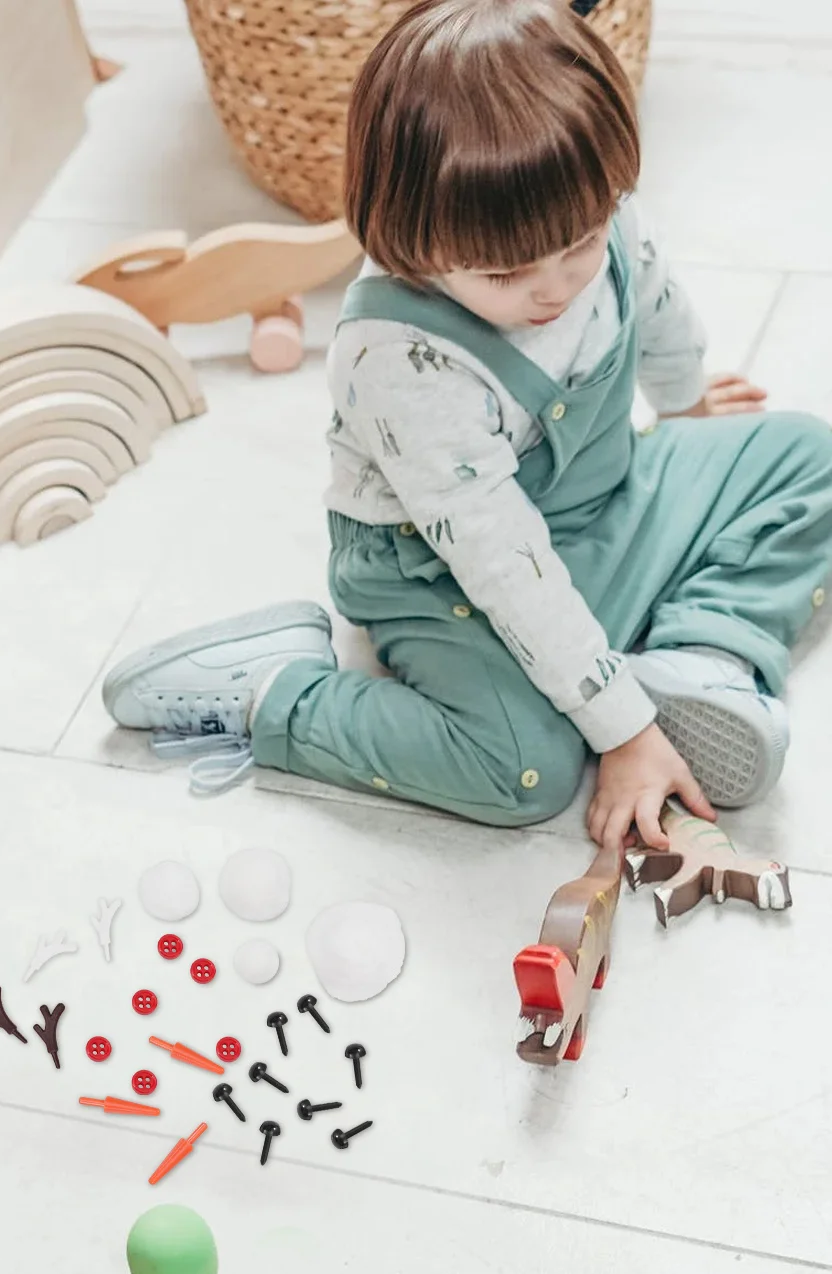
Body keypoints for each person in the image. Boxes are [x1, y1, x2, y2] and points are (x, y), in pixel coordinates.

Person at [103, 0, 832, 848]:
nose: (556, 289)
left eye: (581, 246)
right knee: (526, 770)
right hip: (444, 577)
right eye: (505, 273)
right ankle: (275, 687)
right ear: (415, 239)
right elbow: (505, 566)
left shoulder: (594, 210)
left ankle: (696, 658)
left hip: (600, 509)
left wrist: (690, 405)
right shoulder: (400, 360)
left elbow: (658, 307)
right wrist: (626, 733)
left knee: (809, 456)